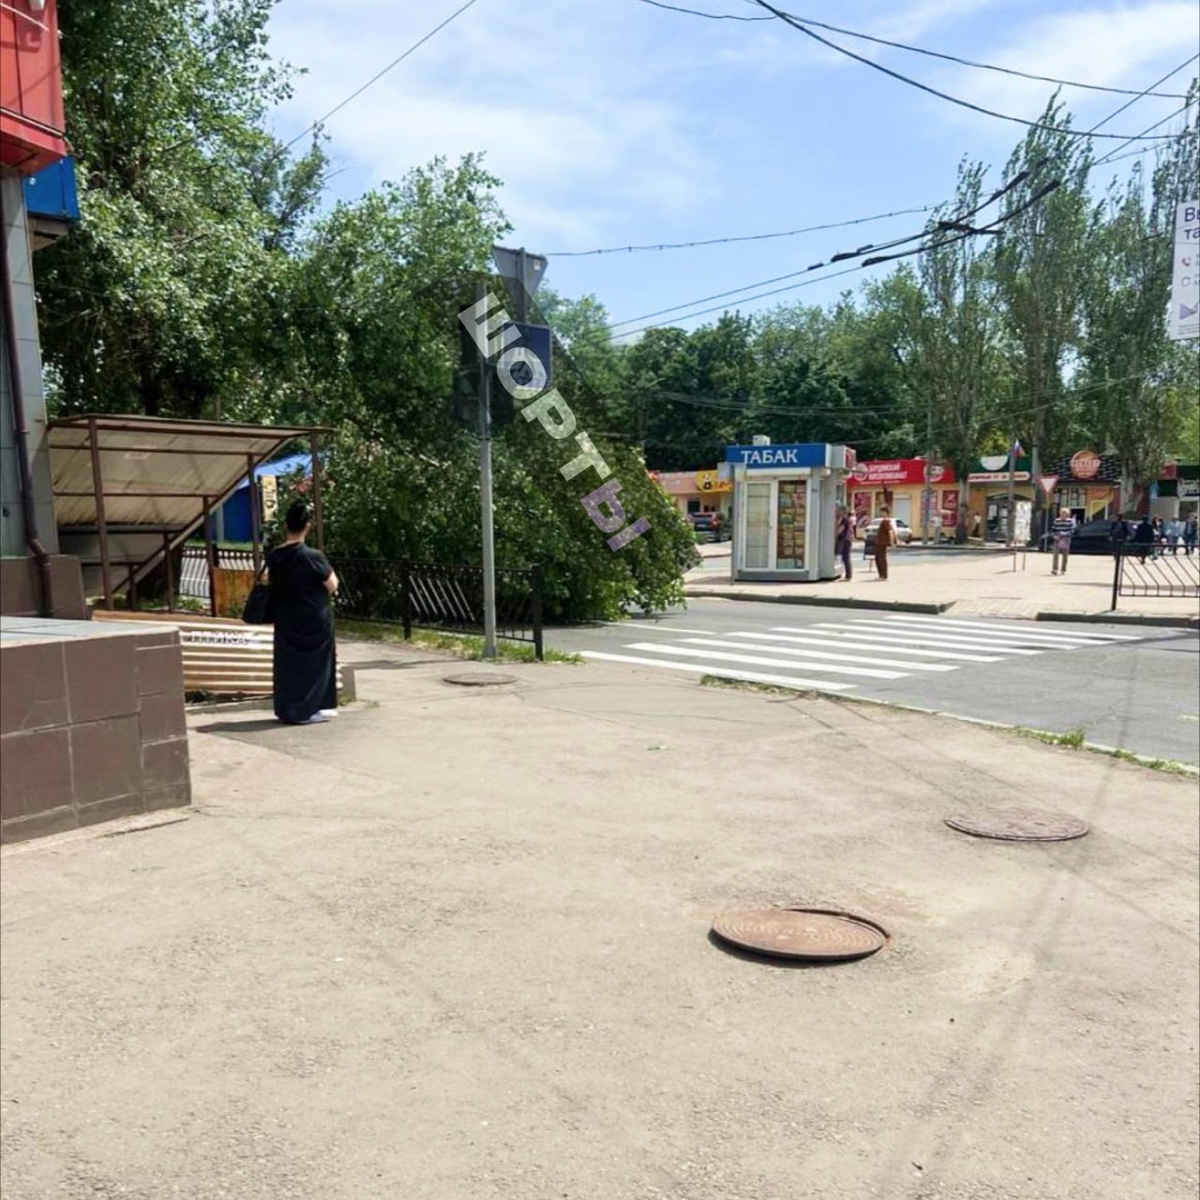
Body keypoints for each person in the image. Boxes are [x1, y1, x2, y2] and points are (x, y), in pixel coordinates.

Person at [264, 502, 339, 725]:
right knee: (316, 665)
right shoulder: (312, 556)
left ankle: (287, 708)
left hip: (285, 617)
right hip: (314, 618)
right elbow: (332, 584)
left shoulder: (275, 556)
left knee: (288, 665)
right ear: (307, 526)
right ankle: (310, 709)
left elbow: (267, 580)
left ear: (286, 526)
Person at [1049, 506, 1075, 576]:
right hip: (1057, 539)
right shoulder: (1056, 521)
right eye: (1062, 513)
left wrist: (1064, 534)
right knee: (1055, 555)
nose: (1063, 515)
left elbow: (1072, 531)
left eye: (1065, 513)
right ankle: (1055, 569)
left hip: (1066, 539)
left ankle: (1063, 570)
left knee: (1065, 555)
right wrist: (1054, 536)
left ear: (1067, 514)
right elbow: (1053, 530)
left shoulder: (1070, 521)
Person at [874, 507, 896, 581]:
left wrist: (892, 542)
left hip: (882, 543)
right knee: (878, 558)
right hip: (879, 542)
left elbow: (890, 532)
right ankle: (881, 575)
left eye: (882, 512)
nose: (881, 513)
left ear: (886, 512)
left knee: (882, 559)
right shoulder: (884, 521)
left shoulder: (886, 521)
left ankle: (884, 575)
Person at [835, 504, 853, 581]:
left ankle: (848, 576)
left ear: (843, 511)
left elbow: (840, 530)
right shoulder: (847, 519)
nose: (838, 512)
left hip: (845, 540)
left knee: (845, 557)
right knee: (846, 557)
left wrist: (835, 534)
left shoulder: (844, 520)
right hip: (848, 540)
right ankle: (848, 575)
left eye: (839, 510)